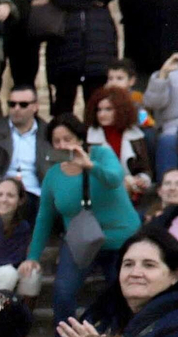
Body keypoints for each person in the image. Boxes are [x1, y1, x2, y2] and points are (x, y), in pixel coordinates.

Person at [21, 112, 142, 325]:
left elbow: (115, 179)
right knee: (63, 290)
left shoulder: (101, 155)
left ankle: (125, 336)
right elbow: (45, 217)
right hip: (81, 241)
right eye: (56, 141)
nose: (62, 145)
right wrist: (33, 256)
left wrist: (90, 166)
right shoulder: (53, 175)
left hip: (120, 238)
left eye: (67, 139)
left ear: (79, 138)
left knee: (125, 290)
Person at [0, 83, 48, 204]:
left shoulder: (48, 133)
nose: (16, 108)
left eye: (23, 104)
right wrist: (5, 185)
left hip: (37, 196)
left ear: (35, 107)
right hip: (0, 193)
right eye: (12, 104)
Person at [144, 33, 178, 177]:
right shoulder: (173, 75)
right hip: (175, 129)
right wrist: (163, 75)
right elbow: (152, 103)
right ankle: (166, 187)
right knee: (167, 140)